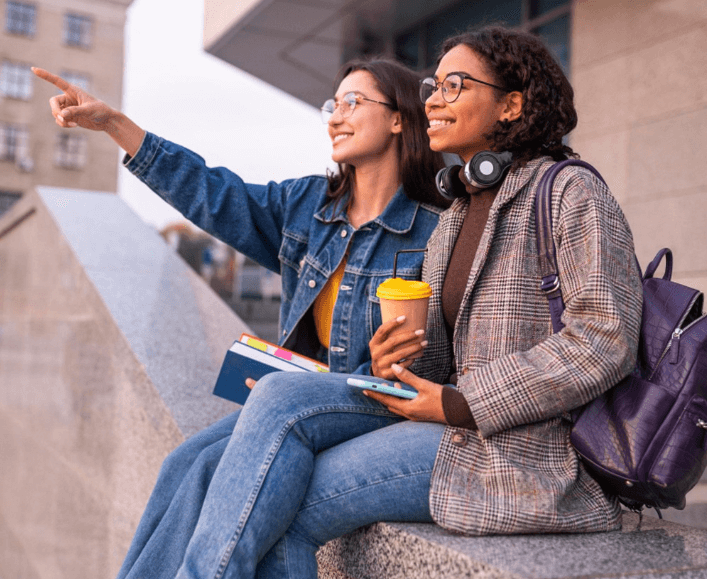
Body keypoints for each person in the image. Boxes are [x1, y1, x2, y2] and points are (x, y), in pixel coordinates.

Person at [154, 26, 642, 579]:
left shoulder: (571, 191)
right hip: (453, 431)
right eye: (434, 85)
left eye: (455, 85)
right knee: (273, 433)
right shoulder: (460, 211)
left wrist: (461, 403)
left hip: (521, 456)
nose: (432, 98)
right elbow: (441, 359)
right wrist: (396, 359)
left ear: (511, 105)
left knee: (275, 478)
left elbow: (606, 338)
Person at [33, 59, 446, 579]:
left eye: (352, 103)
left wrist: (299, 391)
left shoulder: (434, 231)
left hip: (380, 402)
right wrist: (116, 124)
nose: (335, 117)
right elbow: (213, 194)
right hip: (309, 397)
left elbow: (443, 351)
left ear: (398, 119)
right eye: (331, 105)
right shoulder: (307, 206)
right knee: (185, 462)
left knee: (220, 464)